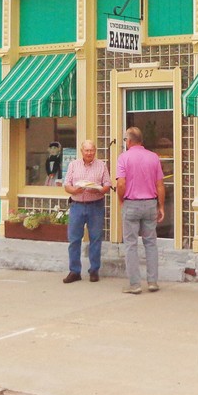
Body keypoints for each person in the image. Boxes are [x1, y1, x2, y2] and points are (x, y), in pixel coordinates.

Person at [115, 126, 165, 294]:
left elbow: (121, 183)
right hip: (150, 203)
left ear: (128, 141)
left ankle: (135, 284)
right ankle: (152, 281)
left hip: (131, 203)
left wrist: (121, 199)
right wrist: (161, 205)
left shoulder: (123, 158)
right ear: (141, 140)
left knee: (130, 244)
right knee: (151, 243)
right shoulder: (153, 157)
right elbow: (160, 185)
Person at [62, 138, 110, 283]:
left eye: (92, 150)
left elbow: (107, 184)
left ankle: (94, 270)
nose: (89, 153)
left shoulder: (101, 165)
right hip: (77, 205)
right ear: (82, 151)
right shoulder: (73, 165)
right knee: (74, 239)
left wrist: (100, 190)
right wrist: (74, 189)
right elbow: (66, 185)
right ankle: (74, 271)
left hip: (96, 205)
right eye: (86, 150)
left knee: (95, 239)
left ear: (95, 151)